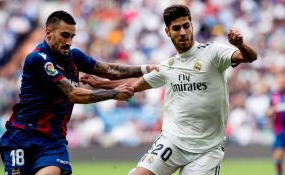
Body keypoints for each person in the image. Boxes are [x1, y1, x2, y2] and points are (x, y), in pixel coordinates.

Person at [81, 4, 257, 175]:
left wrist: (240, 44)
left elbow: (250, 57)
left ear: (192, 26)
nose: (182, 32)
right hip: (172, 141)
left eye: (186, 26)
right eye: (176, 28)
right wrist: (100, 83)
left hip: (207, 149)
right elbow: (133, 86)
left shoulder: (213, 52)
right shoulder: (168, 66)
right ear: (167, 32)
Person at [0, 10, 156, 175]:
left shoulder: (73, 57)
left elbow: (110, 70)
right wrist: (113, 94)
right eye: (65, 35)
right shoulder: (38, 59)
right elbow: (72, 94)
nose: (69, 42)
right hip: (22, 136)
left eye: (72, 37)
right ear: (48, 33)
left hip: (53, 141)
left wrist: (144, 69)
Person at [266, 72, 285, 175]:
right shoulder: (273, 96)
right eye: (280, 82)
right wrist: (271, 112)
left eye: (283, 82)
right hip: (279, 130)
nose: (281, 84)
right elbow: (268, 112)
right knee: (278, 154)